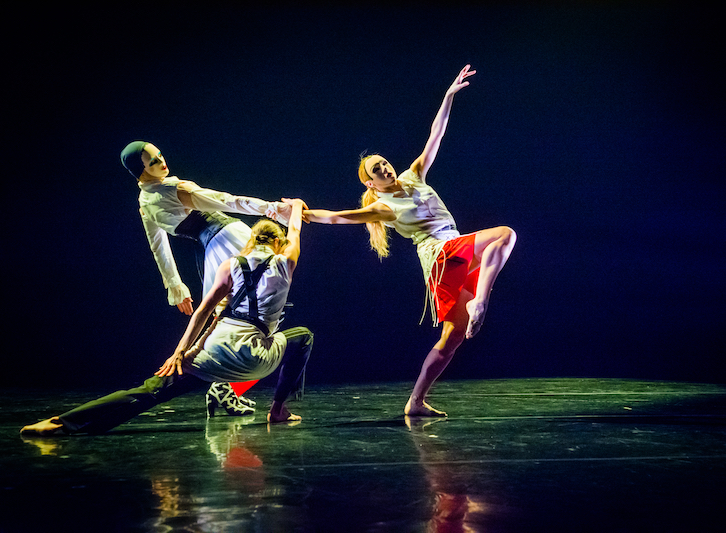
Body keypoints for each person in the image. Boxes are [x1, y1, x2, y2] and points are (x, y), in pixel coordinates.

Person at [304, 65, 516, 417]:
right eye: (377, 172)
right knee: (505, 235)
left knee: (452, 341)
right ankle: (479, 302)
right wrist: (302, 214)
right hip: (440, 256)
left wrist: (448, 96)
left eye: (384, 164)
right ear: (371, 184)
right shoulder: (385, 207)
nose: (385, 170)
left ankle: (415, 402)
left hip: (451, 255)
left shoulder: (414, 174)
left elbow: (436, 135)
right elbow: (340, 216)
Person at [20, 200, 313, 436]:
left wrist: (179, 353)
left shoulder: (230, 265)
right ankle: (277, 410)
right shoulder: (286, 262)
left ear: (252, 239)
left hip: (215, 351)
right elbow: (295, 232)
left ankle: (62, 423)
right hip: (257, 356)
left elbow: (202, 311)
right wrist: (297, 206)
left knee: (151, 392)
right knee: (302, 336)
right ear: (277, 242)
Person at [121, 141, 295, 414]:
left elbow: (159, 245)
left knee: (232, 319)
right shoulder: (171, 190)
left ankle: (221, 388)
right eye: (153, 161)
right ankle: (222, 387)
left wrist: (174, 284)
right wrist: (270, 208)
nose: (162, 162)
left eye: (160, 155)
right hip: (229, 240)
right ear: (140, 172)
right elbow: (224, 200)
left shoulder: (145, 200)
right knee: (256, 317)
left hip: (214, 248)